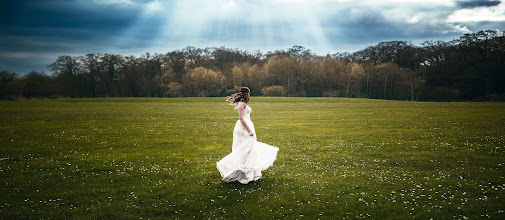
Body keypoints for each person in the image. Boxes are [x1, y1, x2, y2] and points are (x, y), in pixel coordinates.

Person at [216, 87, 279, 184]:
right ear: (247, 94)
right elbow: (241, 119)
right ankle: (242, 173)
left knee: (249, 150)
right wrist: (249, 130)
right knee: (244, 149)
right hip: (243, 128)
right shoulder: (241, 104)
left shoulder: (244, 103)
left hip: (247, 125)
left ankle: (248, 173)